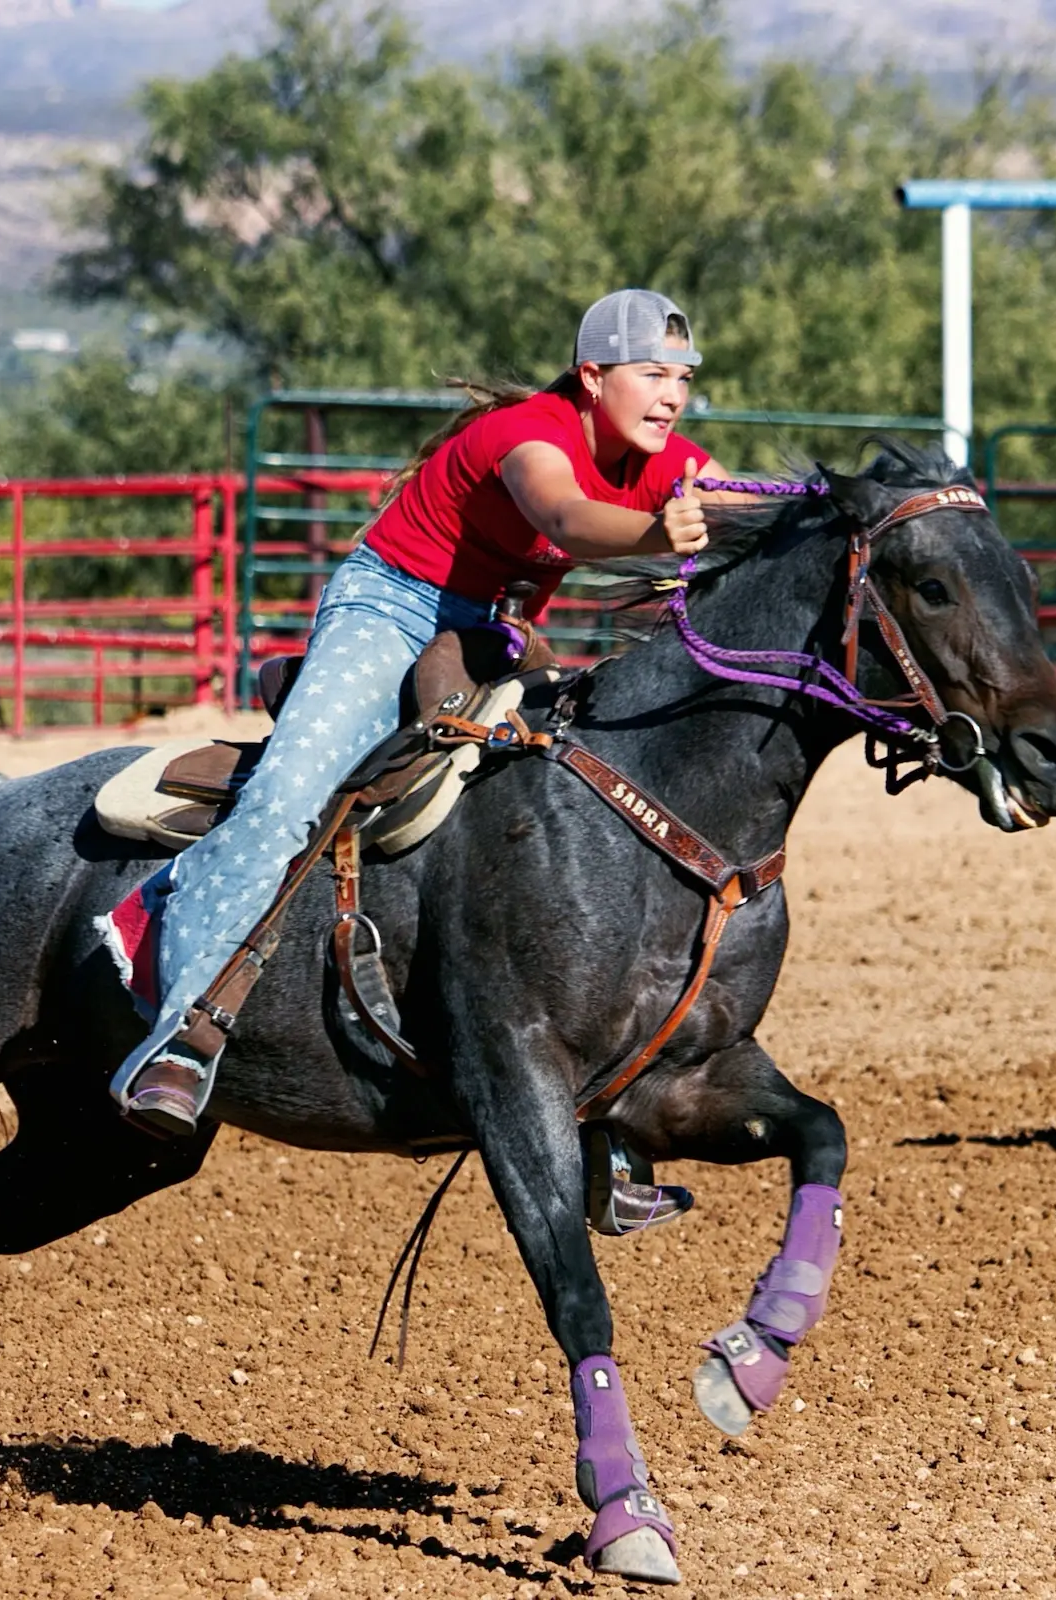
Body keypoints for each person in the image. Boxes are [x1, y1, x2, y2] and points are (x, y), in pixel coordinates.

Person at [112, 287, 742, 1136]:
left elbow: (740, 507)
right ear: (594, 377)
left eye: (682, 378)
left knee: (570, 804)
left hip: (495, 629)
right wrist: (655, 535)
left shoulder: (667, 460)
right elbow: (566, 517)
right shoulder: (527, 438)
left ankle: (603, 1110)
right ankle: (179, 1030)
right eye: (653, 374)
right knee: (294, 790)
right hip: (390, 607)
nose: (672, 394)